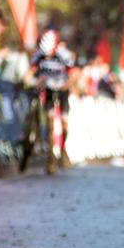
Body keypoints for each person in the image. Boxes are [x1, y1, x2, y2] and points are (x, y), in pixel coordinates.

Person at [23, 29, 76, 174]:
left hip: (62, 90)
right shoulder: (39, 55)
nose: (47, 56)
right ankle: (51, 159)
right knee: (50, 123)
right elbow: (29, 73)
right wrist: (31, 81)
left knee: (64, 125)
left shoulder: (63, 55)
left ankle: (63, 149)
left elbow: (75, 73)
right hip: (48, 90)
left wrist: (68, 83)